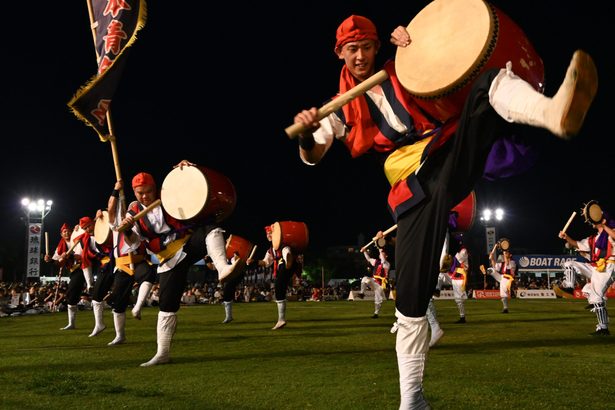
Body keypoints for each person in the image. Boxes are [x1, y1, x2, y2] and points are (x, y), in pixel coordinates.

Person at [291, 14, 597, 408]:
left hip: (447, 151)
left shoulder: (402, 66)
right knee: (411, 300)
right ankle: (412, 399)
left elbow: (446, 63)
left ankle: (554, 112)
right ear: (341, 54)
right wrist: (304, 134)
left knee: (486, 85)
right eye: (353, 50)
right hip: (414, 185)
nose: (362, 56)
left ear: (376, 45)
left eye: (367, 46)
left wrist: (420, 42)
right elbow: (315, 154)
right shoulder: (339, 108)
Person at [119, 161, 242, 366]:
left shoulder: (169, 195)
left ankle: (222, 267)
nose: (145, 196)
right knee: (167, 306)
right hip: (168, 258)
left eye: (148, 191)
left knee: (210, 226)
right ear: (134, 192)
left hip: (188, 243)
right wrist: (127, 230)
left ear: (155, 188)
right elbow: (134, 243)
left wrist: (185, 172)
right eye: (140, 193)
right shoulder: (132, 212)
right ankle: (163, 353)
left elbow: (191, 191)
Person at [558, 210, 614, 336]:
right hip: (595, 267)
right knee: (569, 264)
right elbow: (576, 244)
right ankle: (569, 287)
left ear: (603, 220)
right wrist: (566, 237)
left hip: (608, 267)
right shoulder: (593, 239)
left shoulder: (611, 232)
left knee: (596, 297)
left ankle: (603, 327)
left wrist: (604, 225)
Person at [249, 225, 302, 330]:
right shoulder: (270, 250)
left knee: (279, 286)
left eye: (270, 233)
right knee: (279, 291)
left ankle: (281, 320)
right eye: (267, 233)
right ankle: (281, 319)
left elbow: (287, 254)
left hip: (286, 265)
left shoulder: (283, 246)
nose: (268, 235)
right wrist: (253, 261)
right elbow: (265, 262)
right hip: (283, 268)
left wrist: (288, 263)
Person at [438, 246, 470, 323]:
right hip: (452, 276)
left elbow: (459, 259)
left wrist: (449, 255)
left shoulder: (463, 251)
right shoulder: (453, 253)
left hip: (460, 277)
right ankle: (437, 290)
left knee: (458, 299)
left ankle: (462, 317)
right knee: (440, 275)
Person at [483, 244, 516, 313]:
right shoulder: (502, 263)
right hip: (502, 278)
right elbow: (495, 265)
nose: (505, 254)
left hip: (508, 279)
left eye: (507, 253)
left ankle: (505, 308)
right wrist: (492, 258)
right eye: (505, 253)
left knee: (503, 295)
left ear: (510, 255)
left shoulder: (512, 262)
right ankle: (505, 308)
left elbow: (507, 264)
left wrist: (504, 252)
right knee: (490, 269)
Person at [361, 246, 390, 319]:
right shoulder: (376, 262)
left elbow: (383, 261)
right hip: (374, 281)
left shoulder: (387, 264)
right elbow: (368, 259)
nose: (382, 255)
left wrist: (380, 251)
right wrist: (364, 251)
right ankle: (362, 293)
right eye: (381, 254)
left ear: (386, 256)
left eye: (383, 254)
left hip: (380, 284)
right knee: (365, 278)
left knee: (378, 299)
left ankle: (376, 313)